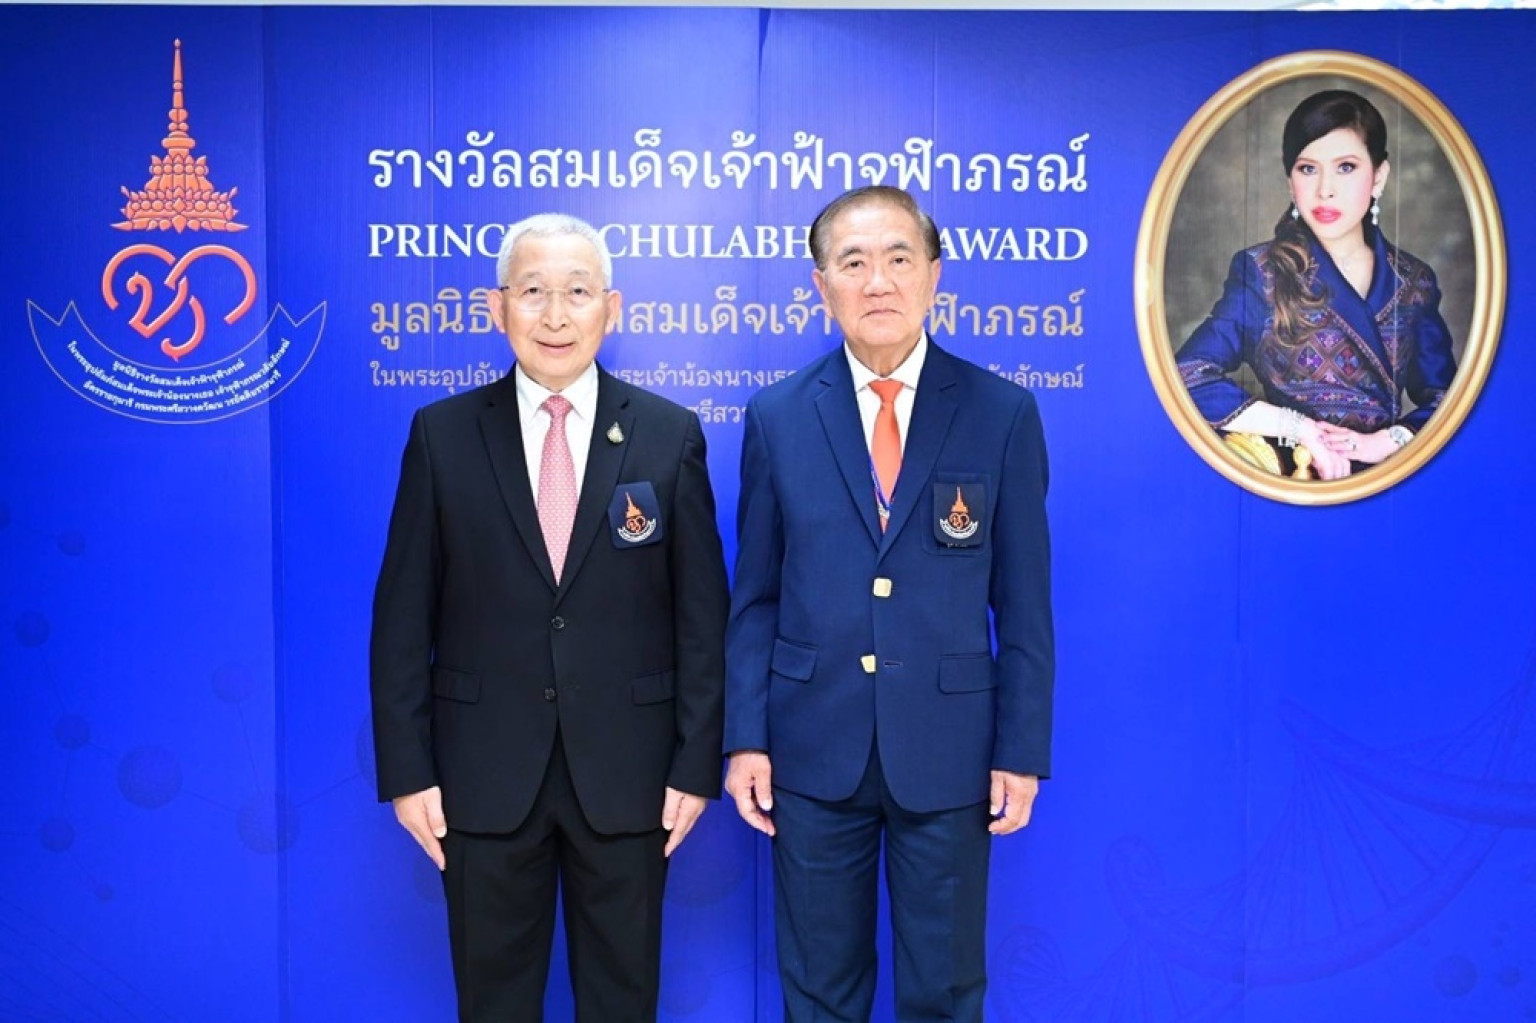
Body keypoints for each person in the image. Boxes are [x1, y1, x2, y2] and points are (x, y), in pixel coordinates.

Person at [370, 213, 729, 1022]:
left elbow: (703, 618)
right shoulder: (442, 435)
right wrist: (409, 771)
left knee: (623, 1001)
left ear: (613, 307)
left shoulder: (668, 435)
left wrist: (694, 762)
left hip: (632, 778)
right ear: (497, 308)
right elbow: (401, 619)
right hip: (481, 776)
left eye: (578, 292)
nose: (556, 315)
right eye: (533, 292)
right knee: (493, 1003)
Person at [723, 186, 1055, 1022]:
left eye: (899, 258)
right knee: (818, 991)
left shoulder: (1002, 413)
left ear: (934, 274)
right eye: (854, 262)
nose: (878, 281)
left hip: (948, 752)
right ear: (821, 284)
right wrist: (746, 736)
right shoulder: (776, 416)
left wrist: (1020, 749)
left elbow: (1025, 605)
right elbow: (755, 598)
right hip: (811, 749)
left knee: (944, 990)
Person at [1176, 89, 1457, 480]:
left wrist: (1385, 441)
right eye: (1308, 169)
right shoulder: (1262, 271)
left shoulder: (1413, 280)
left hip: (1391, 482)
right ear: (1290, 181)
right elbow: (1188, 375)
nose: (1325, 189)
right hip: (1291, 475)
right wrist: (1300, 430)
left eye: (1346, 167)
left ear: (1379, 176)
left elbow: (1450, 400)